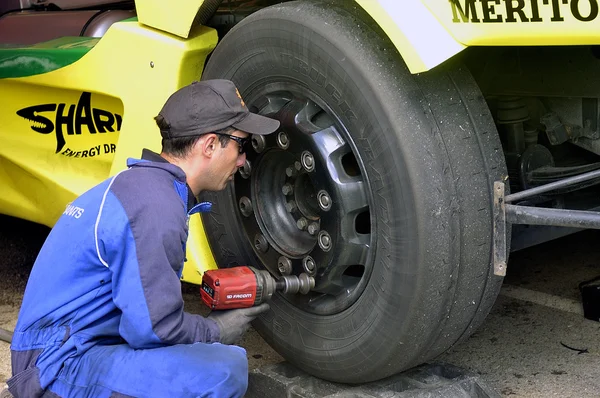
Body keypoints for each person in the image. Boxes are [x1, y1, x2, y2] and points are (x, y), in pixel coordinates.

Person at [7, 80, 280, 398]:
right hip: (57, 366)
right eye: (240, 145)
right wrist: (216, 330)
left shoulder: (145, 187)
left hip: (66, 346)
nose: (242, 160)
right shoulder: (155, 207)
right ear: (209, 145)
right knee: (222, 371)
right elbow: (153, 330)